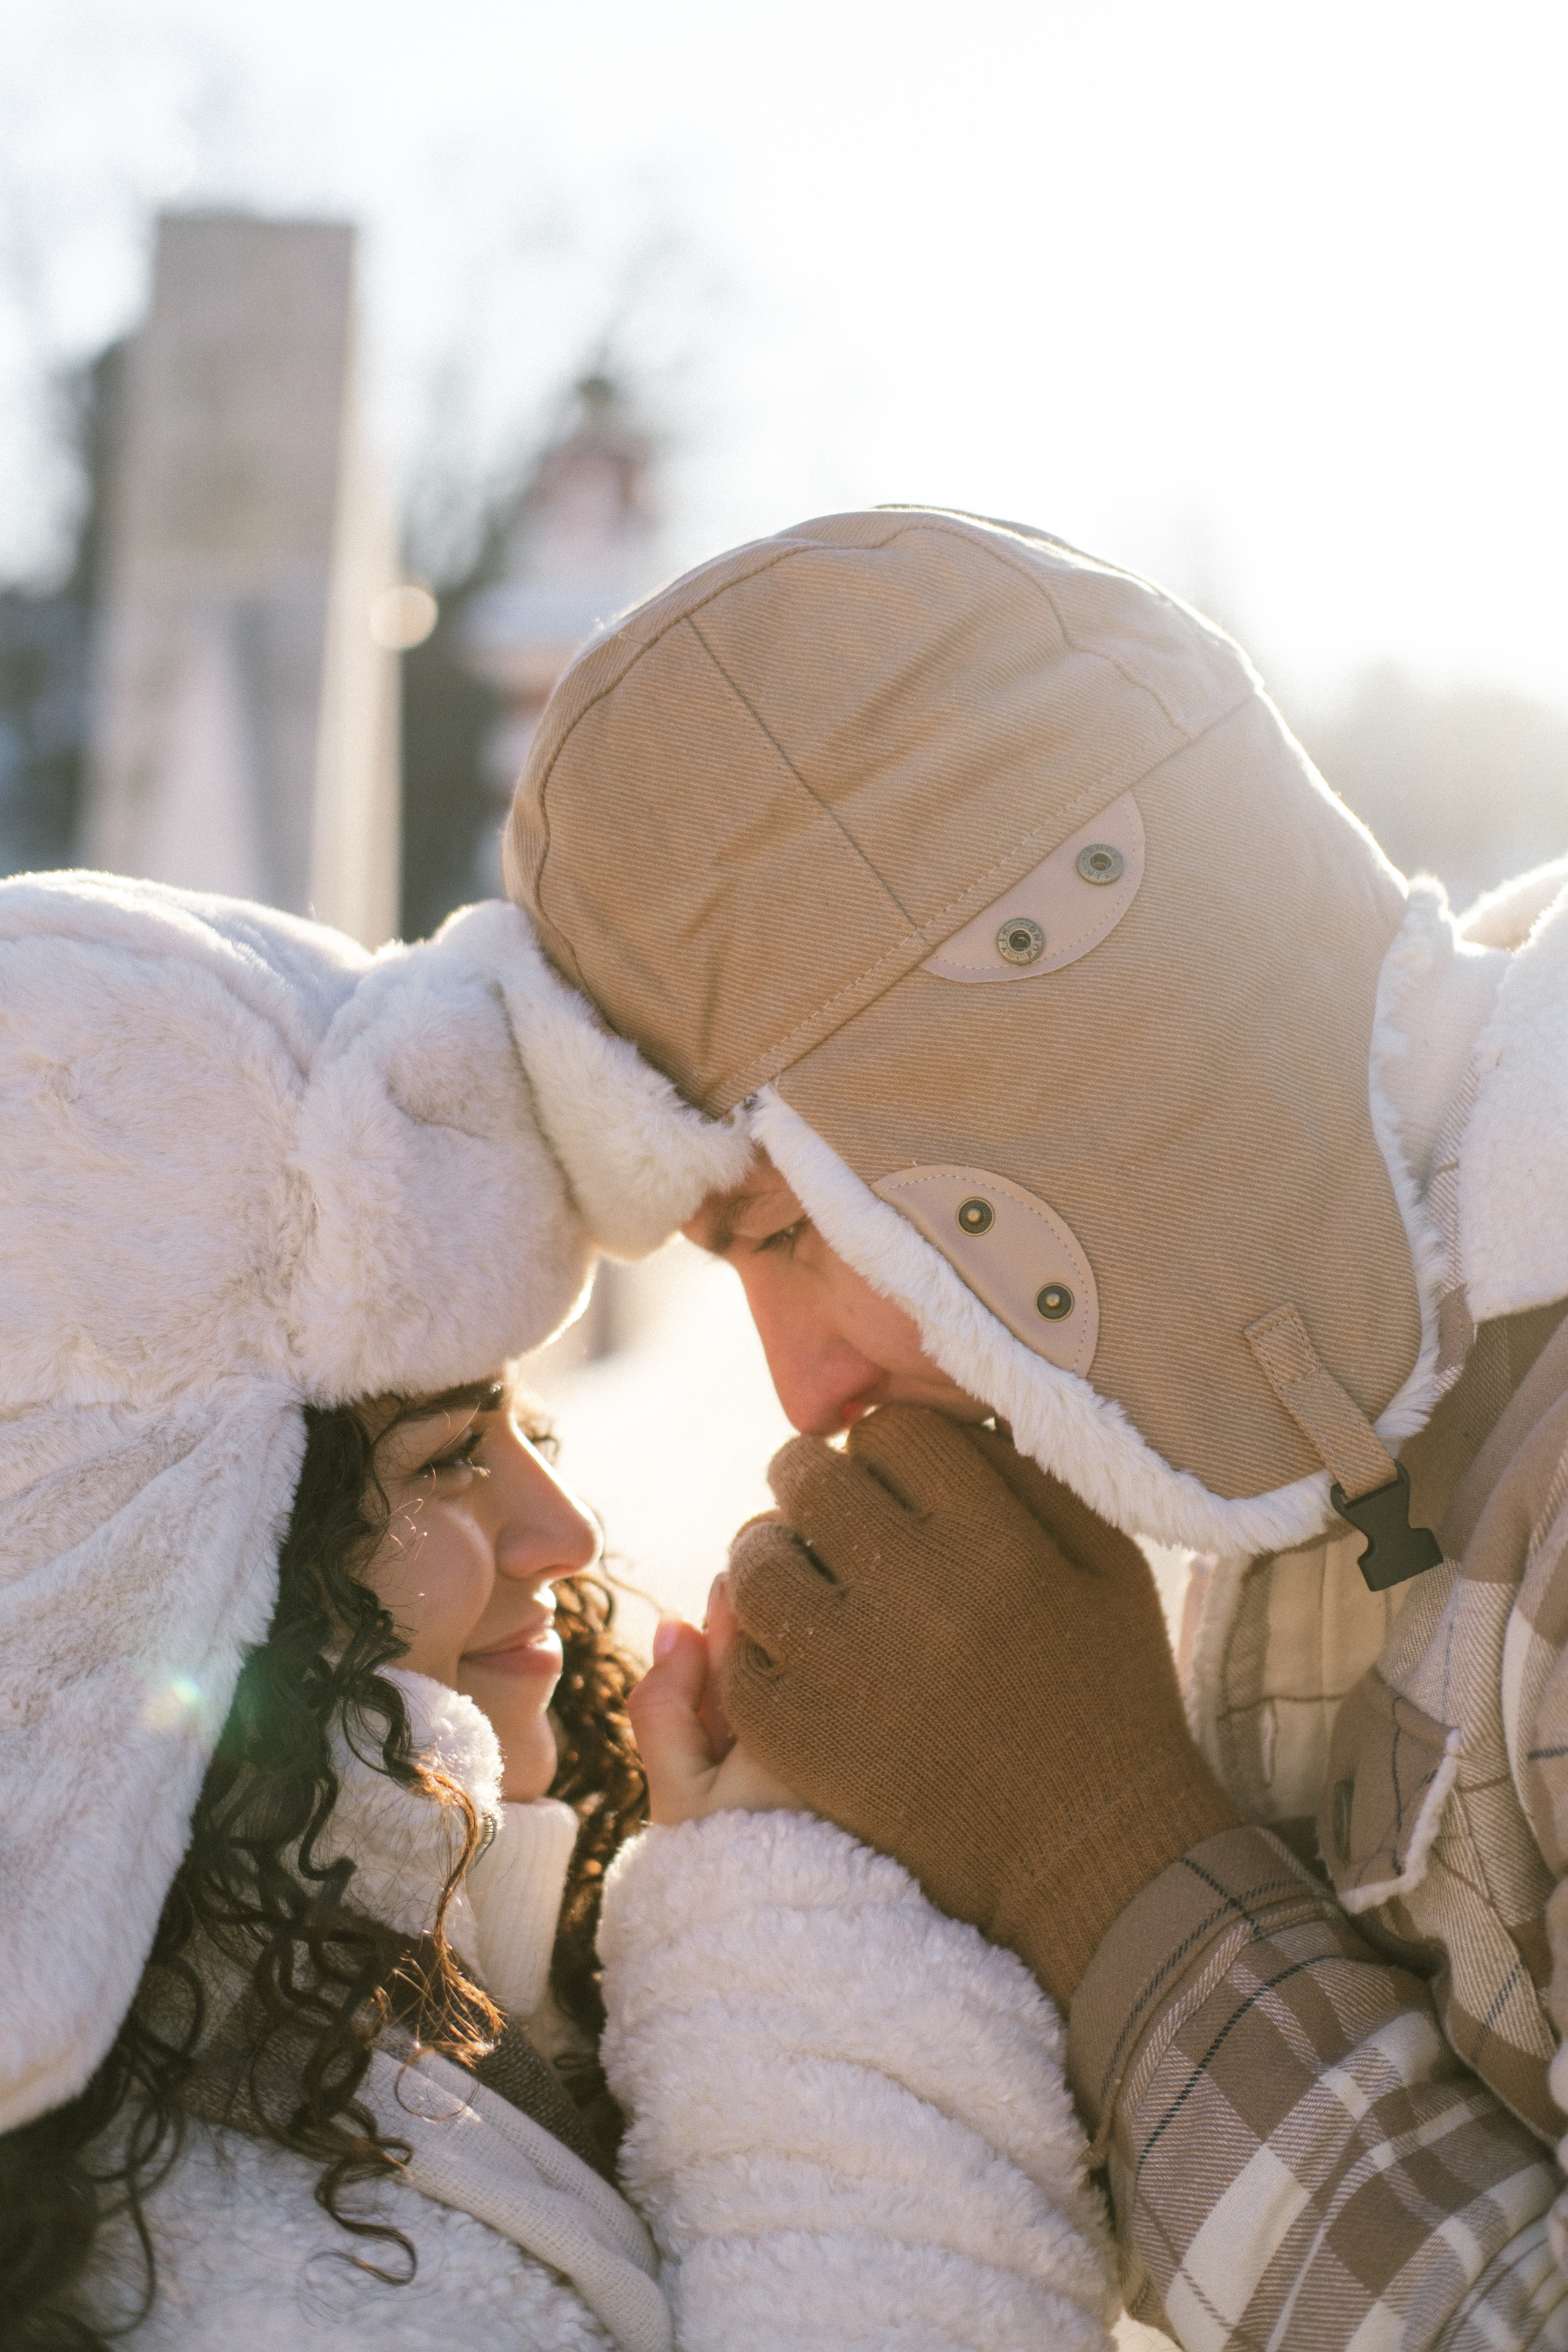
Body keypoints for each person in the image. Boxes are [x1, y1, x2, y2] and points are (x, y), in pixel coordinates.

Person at [502, 505, 1568, 2343]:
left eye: (790, 1231)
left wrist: (1095, 1861)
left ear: (1022, 1082)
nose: (803, 1390)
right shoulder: (1317, 1434)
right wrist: (847, 1897)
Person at [0, 872, 1118, 2350]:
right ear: (154, 1550)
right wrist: (786, 1925)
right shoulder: (222, 2275)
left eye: (522, 1426)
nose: (564, 1528)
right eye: (446, 1457)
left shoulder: (385, 2018)